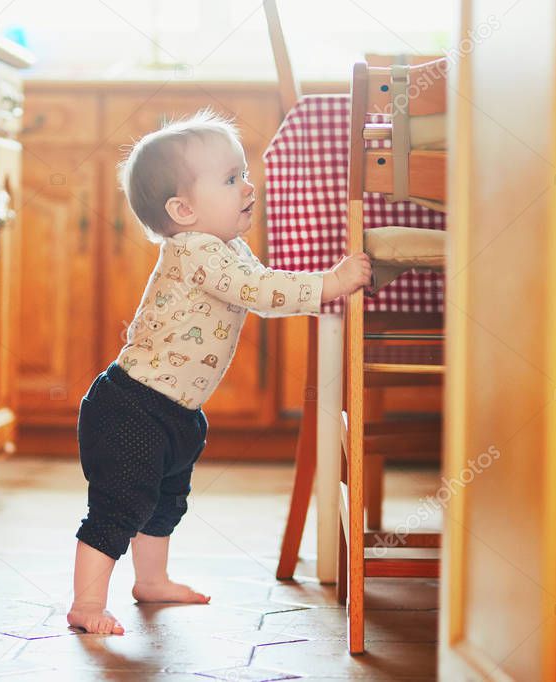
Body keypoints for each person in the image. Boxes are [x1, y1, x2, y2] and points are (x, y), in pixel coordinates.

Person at [68, 110, 372, 635]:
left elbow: (259, 280)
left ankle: (151, 580)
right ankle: (86, 604)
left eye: (243, 172)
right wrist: (327, 284)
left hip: (171, 410)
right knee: (121, 506)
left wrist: (314, 288)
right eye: (232, 179)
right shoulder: (197, 253)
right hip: (133, 409)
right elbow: (262, 293)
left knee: (165, 500)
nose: (248, 186)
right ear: (183, 210)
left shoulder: (225, 247)